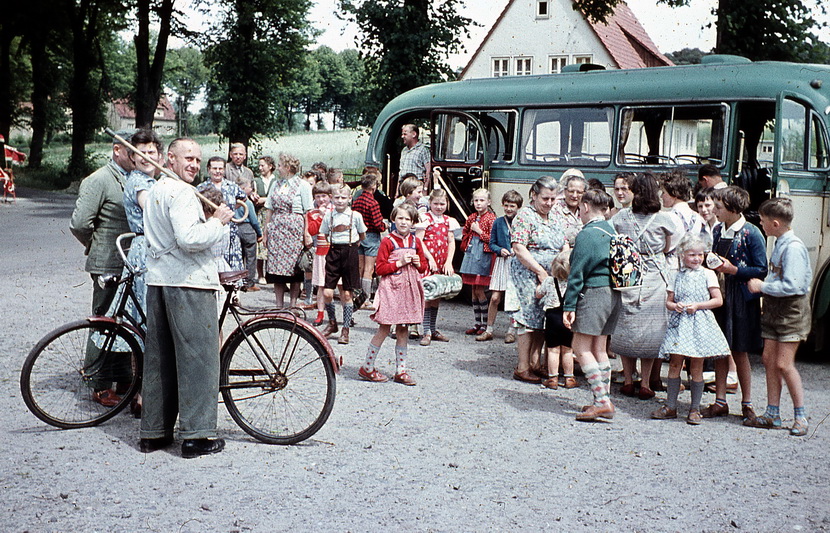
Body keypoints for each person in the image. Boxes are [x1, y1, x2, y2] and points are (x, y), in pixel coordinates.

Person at [139, 137, 234, 458]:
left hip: (160, 282)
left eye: (197, 159)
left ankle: (154, 433)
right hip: (190, 284)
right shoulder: (180, 192)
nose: (193, 164)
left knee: (160, 360)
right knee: (199, 361)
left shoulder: (155, 190)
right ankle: (196, 437)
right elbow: (190, 239)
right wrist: (217, 222)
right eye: (188, 158)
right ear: (170, 159)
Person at [70, 129, 133, 407]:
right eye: (130, 150)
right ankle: (98, 383)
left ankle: (124, 379)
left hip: (133, 264)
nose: (135, 156)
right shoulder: (98, 180)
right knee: (104, 322)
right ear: (116, 150)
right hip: (108, 261)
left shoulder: (136, 179)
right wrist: (97, 246)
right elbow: (81, 223)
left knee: (127, 324)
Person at [745, 198, 811, 436]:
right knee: (768, 359)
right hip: (775, 309)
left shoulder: (793, 247)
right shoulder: (781, 242)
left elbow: (792, 285)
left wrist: (762, 286)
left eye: (762, 221)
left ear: (775, 223)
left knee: (784, 363)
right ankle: (772, 413)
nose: (760, 224)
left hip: (791, 311)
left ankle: (800, 416)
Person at [611, 173, 680, 400]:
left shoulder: (622, 217)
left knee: (627, 324)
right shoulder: (664, 219)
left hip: (628, 274)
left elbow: (615, 238)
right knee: (651, 330)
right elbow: (669, 247)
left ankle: (629, 380)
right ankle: (647, 382)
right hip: (654, 276)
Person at [701, 186, 766, 422]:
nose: (714, 211)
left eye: (718, 207)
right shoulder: (719, 229)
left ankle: (747, 403)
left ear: (731, 208)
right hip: (721, 296)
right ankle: (720, 402)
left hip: (740, 298)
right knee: (720, 350)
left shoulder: (752, 233)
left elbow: (761, 269)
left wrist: (733, 269)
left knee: (740, 351)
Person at [652, 234, 731, 425]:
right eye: (691, 255)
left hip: (700, 323)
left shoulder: (707, 274)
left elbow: (718, 300)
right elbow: (668, 301)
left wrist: (698, 305)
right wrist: (675, 306)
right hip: (680, 325)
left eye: (699, 255)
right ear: (682, 255)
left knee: (696, 366)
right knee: (674, 364)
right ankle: (670, 406)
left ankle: (694, 409)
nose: (696, 258)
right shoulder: (675, 275)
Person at [562, 189, 621, 421]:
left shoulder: (586, 234)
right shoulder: (611, 229)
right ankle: (603, 397)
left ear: (586, 207)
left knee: (580, 347)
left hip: (594, 293)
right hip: (614, 293)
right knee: (599, 348)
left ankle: (602, 401)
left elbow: (577, 273)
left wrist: (569, 306)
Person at [359, 203, 427, 386]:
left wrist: (419, 262)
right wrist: (399, 263)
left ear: (413, 222)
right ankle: (367, 367)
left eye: (407, 219)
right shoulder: (388, 241)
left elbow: (423, 267)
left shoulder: (416, 242)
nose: (403, 222)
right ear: (393, 219)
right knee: (385, 327)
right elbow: (379, 268)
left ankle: (401, 371)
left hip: (408, 289)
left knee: (403, 328)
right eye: (400, 218)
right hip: (391, 289)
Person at [510, 176, 566, 383]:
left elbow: (563, 244)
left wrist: (563, 266)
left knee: (545, 318)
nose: (549, 203)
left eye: (553, 199)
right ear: (534, 196)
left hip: (552, 276)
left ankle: (536, 363)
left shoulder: (555, 217)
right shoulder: (525, 216)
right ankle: (523, 366)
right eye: (545, 199)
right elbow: (519, 247)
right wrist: (539, 271)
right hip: (527, 274)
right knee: (527, 318)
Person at [261, 153, 313, 308]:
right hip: (277, 229)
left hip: (295, 229)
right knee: (276, 269)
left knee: (294, 269)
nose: (278, 168)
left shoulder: (302, 185)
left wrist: (307, 233)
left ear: (288, 167)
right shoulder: (276, 184)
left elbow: (307, 212)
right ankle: (278, 305)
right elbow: (269, 209)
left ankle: (292, 305)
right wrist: (266, 231)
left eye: (280, 165)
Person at [318, 185, 367, 345]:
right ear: (332, 198)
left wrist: (352, 246)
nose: (340, 201)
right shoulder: (328, 216)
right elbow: (324, 233)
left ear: (349, 199)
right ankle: (332, 323)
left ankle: (345, 328)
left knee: (347, 294)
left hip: (350, 252)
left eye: (343, 198)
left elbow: (362, 235)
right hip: (333, 253)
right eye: (337, 197)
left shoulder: (355, 216)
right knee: (327, 293)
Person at [417, 188, 460, 346]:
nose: (439, 206)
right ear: (430, 203)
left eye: (442, 203)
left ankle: (433, 329)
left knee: (437, 297)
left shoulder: (449, 221)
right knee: (428, 297)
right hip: (429, 261)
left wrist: (449, 262)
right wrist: (430, 259)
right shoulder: (425, 218)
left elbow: (451, 242)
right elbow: (419, 241)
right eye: (436, 203)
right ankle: (426, 331)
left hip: (441, 262)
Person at [478, 190, 522, 342]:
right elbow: (492, 243)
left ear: (518, 207)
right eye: (507, 205)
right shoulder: (498, 222)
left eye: (513, 206)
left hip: (517, 263)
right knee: (495, 297)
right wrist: (499, 250)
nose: (509, 209)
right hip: (502, 262)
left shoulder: (521, 222)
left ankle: (511, 330)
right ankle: (489, 329)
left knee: (513, 299)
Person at [197, 157, 247, 272]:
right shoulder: (201, 188)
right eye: (214, 168)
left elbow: (243, 198)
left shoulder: (232, 186)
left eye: (220, 168)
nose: (218, 171)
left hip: (231, 231)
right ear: (209, 170)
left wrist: (231, 210)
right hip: (211, 231)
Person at [537, 249, 576, 389]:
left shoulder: (549, 281)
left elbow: (538, 294)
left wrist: (538, 286)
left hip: (552, 318)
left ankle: (552, 378)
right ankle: (569, 378)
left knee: (553, 350)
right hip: (568, 318)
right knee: (568, 350)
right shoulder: (573, 284)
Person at [459, 188, 496, 336]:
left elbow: (492, 239)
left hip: (483, 255)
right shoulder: (472, 217)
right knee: (473, 291)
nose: (478, 203)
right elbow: (465, 232)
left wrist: (479, 231)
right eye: (476, 200)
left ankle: (485, 324)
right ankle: (477, 323)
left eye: (482, 200)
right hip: (472, 253)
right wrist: (469, 233)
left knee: (480, 290)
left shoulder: (491, 218)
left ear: (488, 202)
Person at [352, 173, 386, 310]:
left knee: (360, 268)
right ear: (373, 187)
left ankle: (357, 296)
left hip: (360, 236)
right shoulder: (373, 203)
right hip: (372, 236)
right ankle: (365, 299)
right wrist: (385, 226)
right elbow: (378, 224)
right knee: (369, 269)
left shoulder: (357, 201)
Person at [660, 170, 704, 270]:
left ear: (674, 193)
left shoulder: (668, 217)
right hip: (691, 267)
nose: (661, 196)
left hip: (671, 266)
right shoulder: (697, 217)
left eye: (664, 193)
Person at [234, 175, 263, 291]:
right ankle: (249, 283)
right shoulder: (248, 202)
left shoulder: (233, 201)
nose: (251, 189)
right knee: (251, 257)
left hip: (236, 228)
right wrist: (259, 233)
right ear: (243, 188)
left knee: (239, 257)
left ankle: (238, 281)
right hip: (247, 229)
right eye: (250, 187)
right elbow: (254, 221)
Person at [253, 156, 278, 283]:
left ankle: (271, 273)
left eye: (263, 165)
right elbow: (257, 200)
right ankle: (260, 274)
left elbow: (275, 199)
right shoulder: (256, 181)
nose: (260, 168)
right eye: (259, 165)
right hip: (261, 215)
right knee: (261, 242)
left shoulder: (277, 181)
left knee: (272, 243)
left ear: (270, 166)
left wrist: (265, 199)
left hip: (273, 215)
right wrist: (264, 199)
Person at [553, 171, 587, 246]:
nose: (575, 195)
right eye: (571, 191)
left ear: (584, 193)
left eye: (579, 192)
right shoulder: (554, 209)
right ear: (565, 191)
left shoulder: (586, 210)